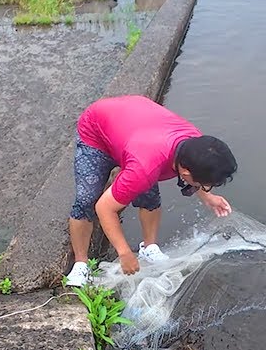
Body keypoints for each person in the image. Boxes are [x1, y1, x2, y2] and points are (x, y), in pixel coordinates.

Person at [64, 95, 238, 287]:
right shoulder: (145, 167)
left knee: (149, 197)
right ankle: (81, 263)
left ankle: (149, 247)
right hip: (97, 132)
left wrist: (208, 197)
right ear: (185, 173)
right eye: (205, 185)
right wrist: (124, 252)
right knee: (86, 200)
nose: (205, 188)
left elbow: (194, 175)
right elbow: (104, 208)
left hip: (135, 130)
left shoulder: (197, 145)